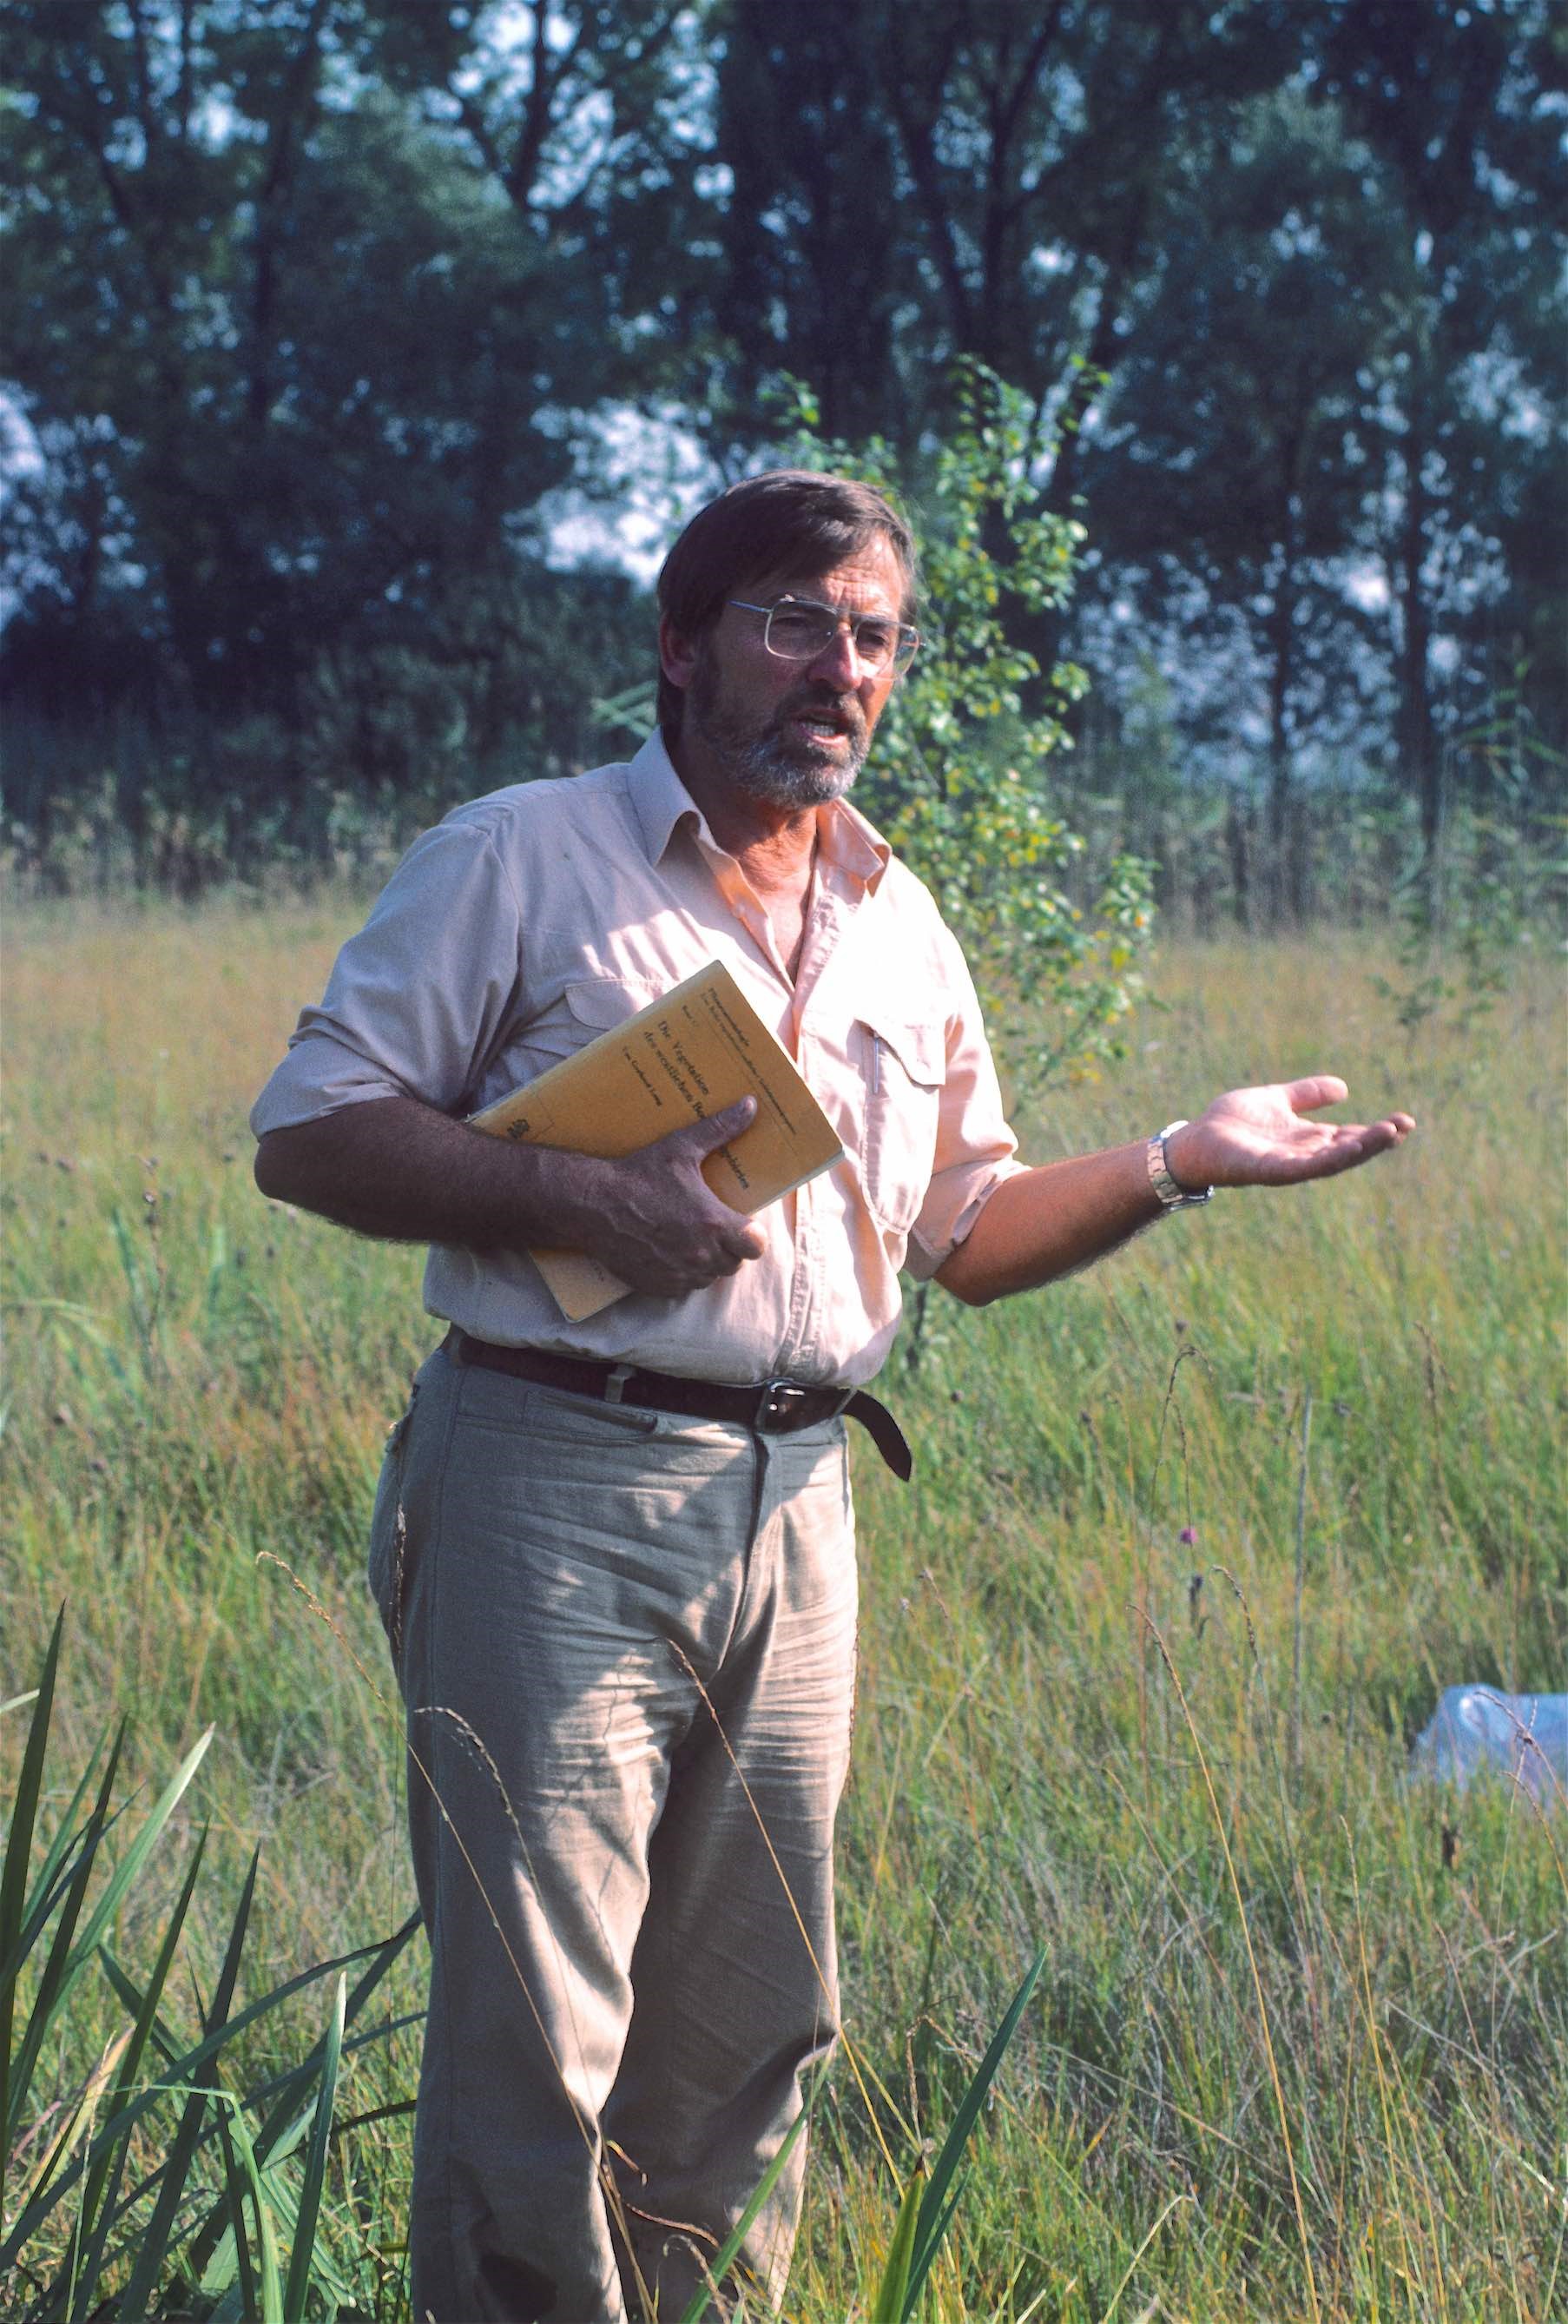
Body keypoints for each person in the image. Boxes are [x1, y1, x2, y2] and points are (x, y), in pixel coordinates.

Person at [251, 469, 1413, 2322]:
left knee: (749, 2034)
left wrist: (1181, 1160)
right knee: (538, 2047)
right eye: (797, 619)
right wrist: (575, 1193)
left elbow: (963, 1227)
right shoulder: (526, 854)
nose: (841, 667)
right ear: (683, 644)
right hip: (553, 1482)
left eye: (874, 635)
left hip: (799, 1512)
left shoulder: (897, 915)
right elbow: (309, 1132)